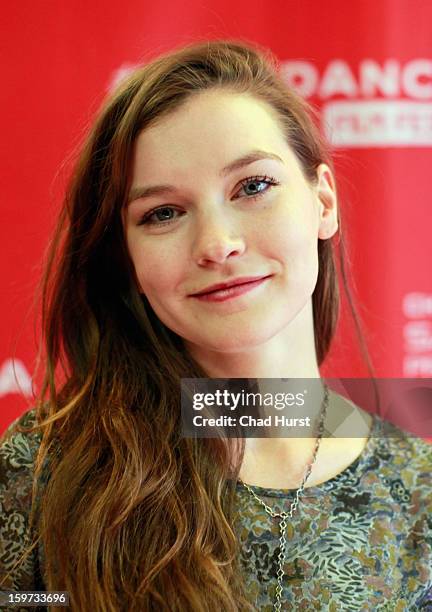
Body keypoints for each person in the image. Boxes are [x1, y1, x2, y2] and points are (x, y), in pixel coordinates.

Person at [0, 39, 431, 612]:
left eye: (253, 187)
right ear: (126, 256)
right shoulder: (44, 469)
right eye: (163, 213)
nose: (217, 245)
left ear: (323, 201)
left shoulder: (419, 491)